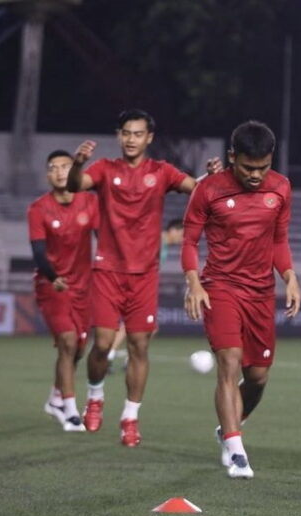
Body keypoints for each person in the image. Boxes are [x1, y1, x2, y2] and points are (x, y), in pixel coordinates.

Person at [67, 108, 220, 447]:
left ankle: (130, 418)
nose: (131, 139)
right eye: (126, 133)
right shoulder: (105, 169)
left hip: (144, 275)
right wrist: (77, 162)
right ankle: (94, 395)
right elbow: (76, 185)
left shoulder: (161, 172)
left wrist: (211, 177)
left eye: (138, 134)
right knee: (103, 345)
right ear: (119, 135)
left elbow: (197, 190)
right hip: (107, 270)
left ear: (148, 138)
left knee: (139, 347)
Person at [183, 120, 301, 479]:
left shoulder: (280, 188)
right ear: (232, 157)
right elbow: (189, 242)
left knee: (258, 377)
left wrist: (290, 277)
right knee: (229, 363)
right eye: (248, 168)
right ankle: (235, 449)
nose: (255, 175)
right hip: (220, 286)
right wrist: (194, 283)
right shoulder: (209, 190)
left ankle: (230, 424)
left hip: (261, 292)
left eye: (263, 167)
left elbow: (279, 240)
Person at [29, 150, 99, 432]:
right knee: (68, 342)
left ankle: (55, 397)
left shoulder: (89, 201)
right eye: (53, 168)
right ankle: (70, 409)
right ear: (47, 175)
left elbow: (103, 238)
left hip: (84, 286)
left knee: (78, 349)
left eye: (65, 166)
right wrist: (52, 276)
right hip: (52, 285)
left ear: (74, 171)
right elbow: (37, 251)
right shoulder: (38, 209)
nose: (59, 172)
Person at [106, 219, 185, 372]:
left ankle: (125, 358)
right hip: (137, 285)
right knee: (134, 325)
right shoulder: (157, 241)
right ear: (173, 230)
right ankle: (111, 357)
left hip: (141, 285)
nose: (182, 239)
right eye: (182, 234)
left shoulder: (163, 244)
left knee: (150, 327)